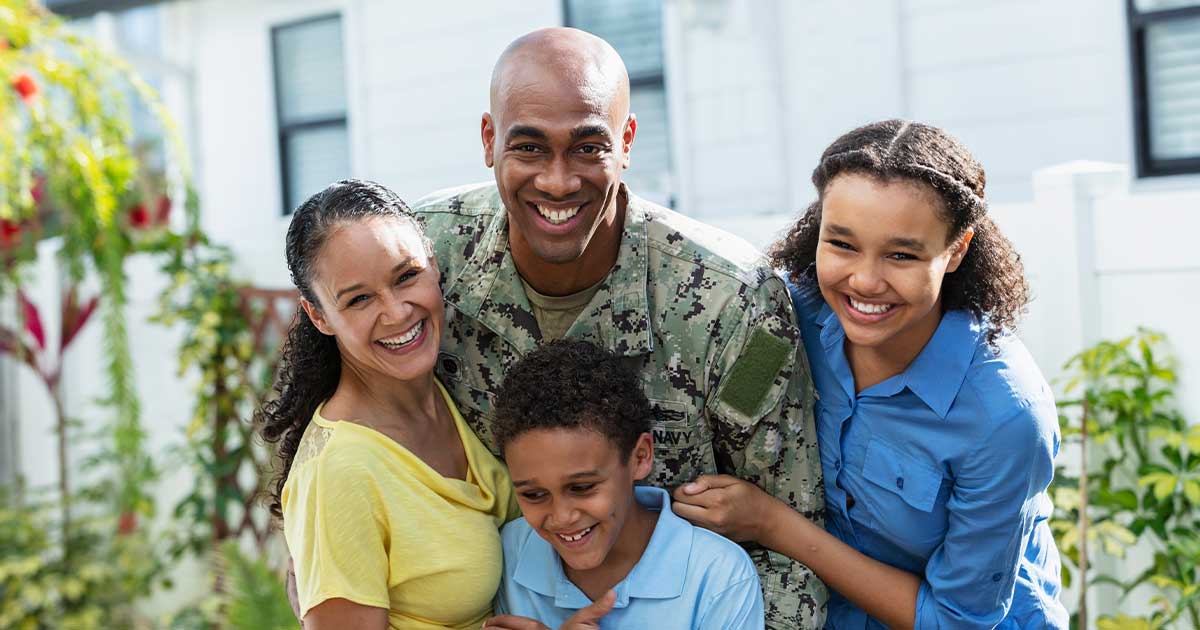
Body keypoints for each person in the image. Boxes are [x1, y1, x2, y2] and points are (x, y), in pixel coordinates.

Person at [411, 27, 825, 628]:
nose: (557, 181)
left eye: (586, 147)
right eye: (528, 147)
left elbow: (793, 541)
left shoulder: (737, 304)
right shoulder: (422, 257)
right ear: (488, 139)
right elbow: (336, 397)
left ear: (627, 140)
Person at [674, 120, 1069, 629]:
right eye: (842, 244)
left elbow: (956, 620)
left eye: (901, 255)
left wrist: (771, 524)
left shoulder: (1004, 417)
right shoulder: (784, 323)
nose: (864, 280)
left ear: (956, 250)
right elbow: (733, 411)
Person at [260, 179, 519, 630]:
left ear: (433, 264)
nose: (397, 312)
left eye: (406, 276)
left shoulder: (460, 385)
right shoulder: (339, 472)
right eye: (359, 299)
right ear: (319, 316)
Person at [484, 340, 764, 630]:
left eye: (582, 487)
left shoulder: (718, 576)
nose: (562, 517)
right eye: (533, 494)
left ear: (640, 457)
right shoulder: (511, 554)